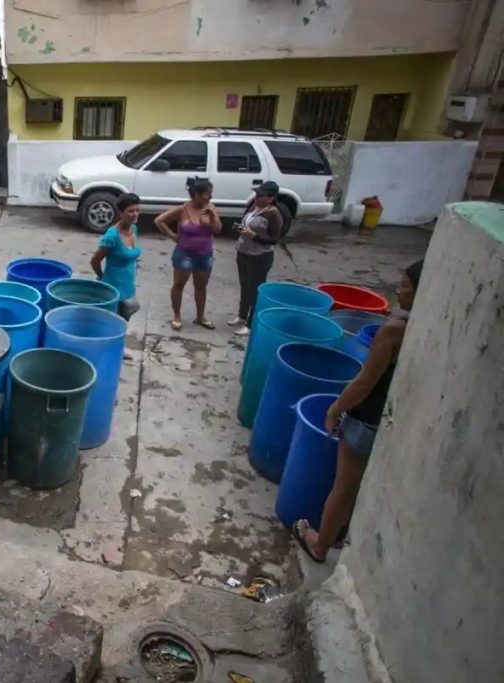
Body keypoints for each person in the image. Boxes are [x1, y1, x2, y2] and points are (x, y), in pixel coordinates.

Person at [293, 260, 423, 563]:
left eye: (404, 285)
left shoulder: (395, 332)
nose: (397, 289)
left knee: (344, 489)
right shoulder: (436, 330)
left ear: (422, 293)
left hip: (367, 422)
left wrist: (335, 408)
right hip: (400, 423)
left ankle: (319, 544)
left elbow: (364, 382)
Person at [154, 178, 223, 331]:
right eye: (207, 194)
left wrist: (212, 216)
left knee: (201, 286)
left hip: (205, 254)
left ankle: (200, 317)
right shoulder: (182, 210)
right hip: (185, 254)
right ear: (196, 195)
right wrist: (173, 235)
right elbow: (159, 221)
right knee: (179, 285)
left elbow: (217, 229)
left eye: (210, 194)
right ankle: (177, 316)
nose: (210, 197)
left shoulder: (211, 208)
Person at [229, 181, 284, 336]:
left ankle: (250, 323)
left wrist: (254, 236)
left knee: (255, 289)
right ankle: (241, 315)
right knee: (244, 285)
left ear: (271, 198)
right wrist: (239, 229)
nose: (257, 197)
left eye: (261, 195)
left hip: (260, 256)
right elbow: (244, 226)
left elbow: (274, 239)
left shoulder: (274, 214)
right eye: (257, 194)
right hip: (243, 252)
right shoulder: (254, 207)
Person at [91, 192, 142, 319]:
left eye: (137, 210)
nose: (135, 214)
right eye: (130, 211)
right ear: (120, 213)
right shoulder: (112, 236)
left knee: (128, 312)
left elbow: (131, 253)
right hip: (113, 286)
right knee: (113, 319)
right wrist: (102, 277)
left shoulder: (134, 229)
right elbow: (95, 261)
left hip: (128, 282)